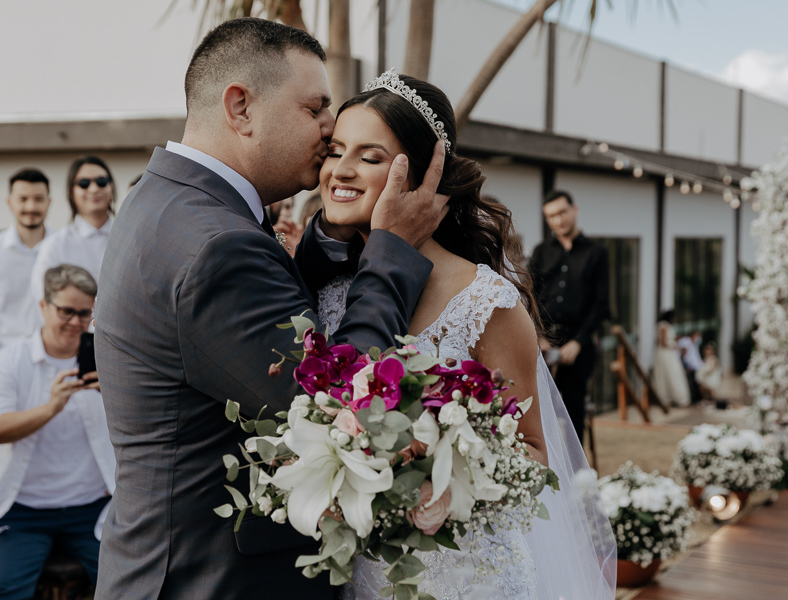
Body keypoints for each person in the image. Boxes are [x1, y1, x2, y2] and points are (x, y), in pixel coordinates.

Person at [93, 19, 447, 600]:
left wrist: (331, 243)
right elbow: (339, 402)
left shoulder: (166, 200)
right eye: (315, 108)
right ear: (241, 108)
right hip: (211, 579)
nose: (330, 127)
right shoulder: (217, 246)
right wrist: (392, 250)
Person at [306, 69, 616, 600]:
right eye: (335, 151)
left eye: (370, 157)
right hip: (364, 572)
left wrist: (436, 467)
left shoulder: (484, 300)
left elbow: (533, 452)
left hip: (464, 576)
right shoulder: (329, 288)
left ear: (426, 176)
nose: (341, 170)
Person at [0, 264, 115, 600]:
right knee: (7, 586)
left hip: (94, 506)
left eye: (85, 313)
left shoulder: (107, 358)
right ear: (43, 306)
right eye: (67, 311)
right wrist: (51, 407)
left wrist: (115, 394)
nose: (76, 322)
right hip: (24, 509)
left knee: (129, 582)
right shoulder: (12, 360)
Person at [528, 190, 609, 445]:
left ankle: (577, 468)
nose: (558, 220)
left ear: (575, 210)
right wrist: (539, 336)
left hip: (578, 345)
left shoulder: (596, 253)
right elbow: (530, 297)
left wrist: (578, 342)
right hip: (543, 344)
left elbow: (601, 305)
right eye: (551, 216)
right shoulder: (541, 251)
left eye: (562, 212)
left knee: (574, 412)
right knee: (540, 412)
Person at [30, 156, 116, 303]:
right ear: (71, 192)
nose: (94, 189)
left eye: (101, 181)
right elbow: (44, 299)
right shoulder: (55, 245)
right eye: (84, 183)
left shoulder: (129, 239)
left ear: (111, 187)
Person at [2, 169, 52, 349]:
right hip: (5, 353)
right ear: (9, 203)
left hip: (55, 355)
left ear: (49, 202)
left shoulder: (64, 247)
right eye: (23, 199)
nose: (31, 207)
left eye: (39, 199)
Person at [652, 309, 691, 407]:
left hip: (669, 354)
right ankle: (670, 398)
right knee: (671, 374)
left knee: (672, 374)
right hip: (665, 354)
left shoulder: (666, 326)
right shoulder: (663, 325)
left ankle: (674, 398)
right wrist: (677, 347)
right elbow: (663, 342)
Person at [677, 330, 703, 403]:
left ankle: (697, 398)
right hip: (686, 366)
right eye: (698, 336)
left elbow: (695, 356)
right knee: (690, 384)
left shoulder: (694, 344)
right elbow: (683, 355)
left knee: (695, 383)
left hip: (694, 367)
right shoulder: (684, 341)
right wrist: (687, 365)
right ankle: (693, 399)